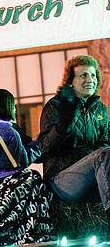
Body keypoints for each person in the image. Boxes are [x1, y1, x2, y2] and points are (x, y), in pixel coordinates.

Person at [0, 88, 55, 245]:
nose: (15, 108)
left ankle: (35, 229)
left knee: (33, 178)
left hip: (15, 174)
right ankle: (11, 231)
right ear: (5, 105)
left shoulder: (12, 128)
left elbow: (24, 159)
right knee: (28, 180)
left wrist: (42, 143)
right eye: (13, 104)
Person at [37, 55, 110, 239]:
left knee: (104, 153)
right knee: (103, 154)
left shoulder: (99, 108)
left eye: (93, 75)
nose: (90, 80)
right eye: (83, 75)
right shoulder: (56, 106)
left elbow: (104, 142)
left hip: (92, 177)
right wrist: (63, 126)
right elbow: (45, 148)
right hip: (62, 180)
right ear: (71, 81)